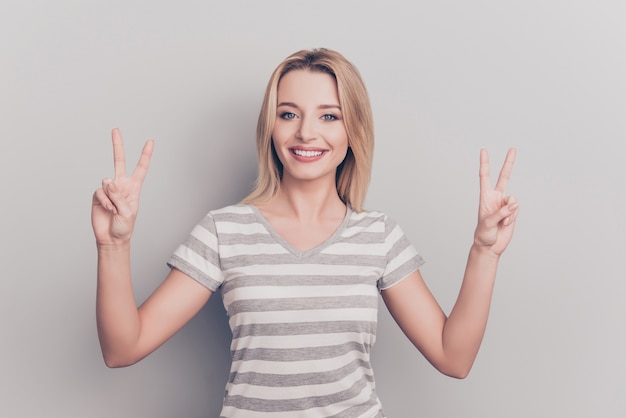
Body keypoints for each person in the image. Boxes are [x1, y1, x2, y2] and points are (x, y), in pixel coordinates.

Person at [92, 48, 519, 417]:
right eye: (288, 114)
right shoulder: (225, 230)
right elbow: (122, 349)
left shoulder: (379, 235)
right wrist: (114, 244)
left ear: (352, 132)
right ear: (271, 127)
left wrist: (485, 252)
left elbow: (454, 357)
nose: (306, 132)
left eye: (329, 116)